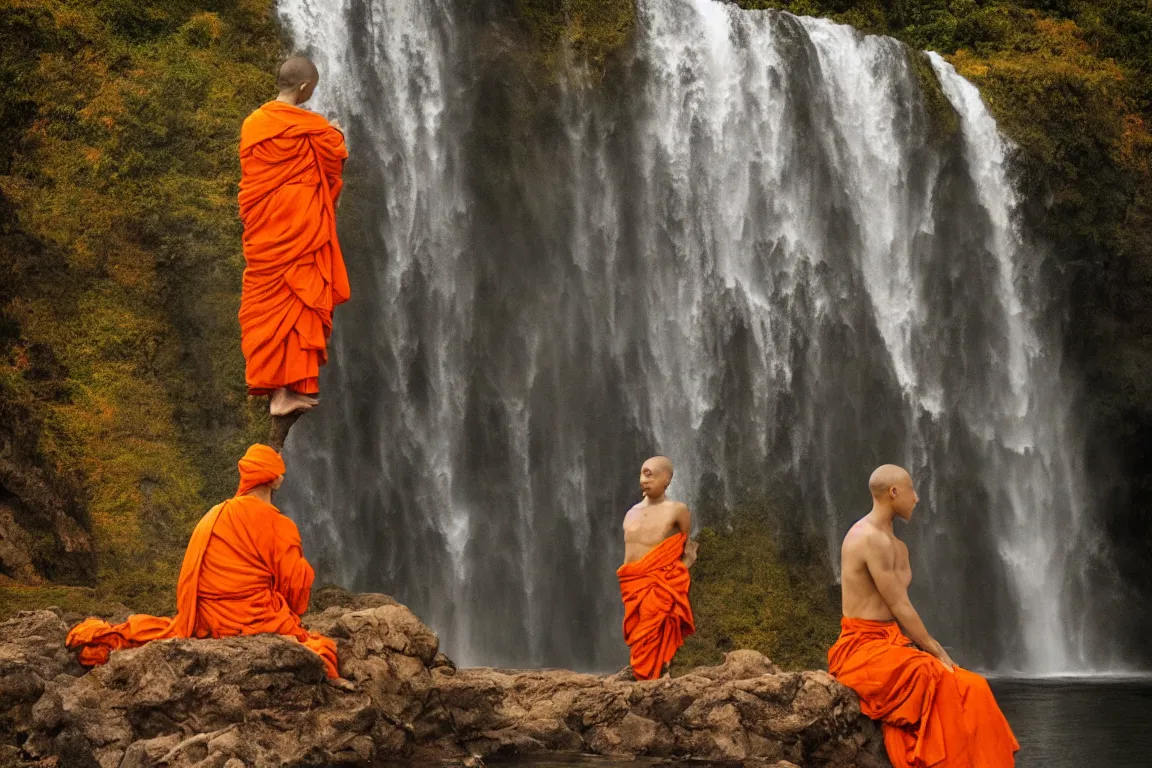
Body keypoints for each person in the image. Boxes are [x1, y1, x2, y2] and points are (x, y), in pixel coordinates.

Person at [66, 445, 339, 679]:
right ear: (276, 479)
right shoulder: (279, 524)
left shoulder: (216, 514)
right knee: (322, 649)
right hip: (251, 619)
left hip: (204, 617)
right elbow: (295, 586)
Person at [828, 464, 1019, 767]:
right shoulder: (868, 538)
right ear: (893, 492)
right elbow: (900, 605)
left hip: (890, 644)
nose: (917, 498)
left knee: (975, 686)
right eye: (912, 490)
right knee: (929, 673)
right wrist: (935, 648)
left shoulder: (897, 545)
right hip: (862, 650)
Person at [238, 56, 350, 417]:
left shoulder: (253, 124)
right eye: (313, 88)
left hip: (269, 231)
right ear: (305, 88)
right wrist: (335, 131)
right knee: (298, 302)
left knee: (276, 307)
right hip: (298, 228)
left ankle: (283, 392)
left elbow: (255, 177)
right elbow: (335, 155)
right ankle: (283, 394)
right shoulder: (311, 125)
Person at [616, 456, 696, 680]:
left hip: (658, 584)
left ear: (667, 479)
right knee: (638, 634)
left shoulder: (678, 510)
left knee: (656, 629)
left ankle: (658, 675)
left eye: (650, 474)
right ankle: (645, 677)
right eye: (642, 474)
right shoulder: (631, 512)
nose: (644, 479)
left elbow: (683, 547)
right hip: (632, 583)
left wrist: (682, 569)